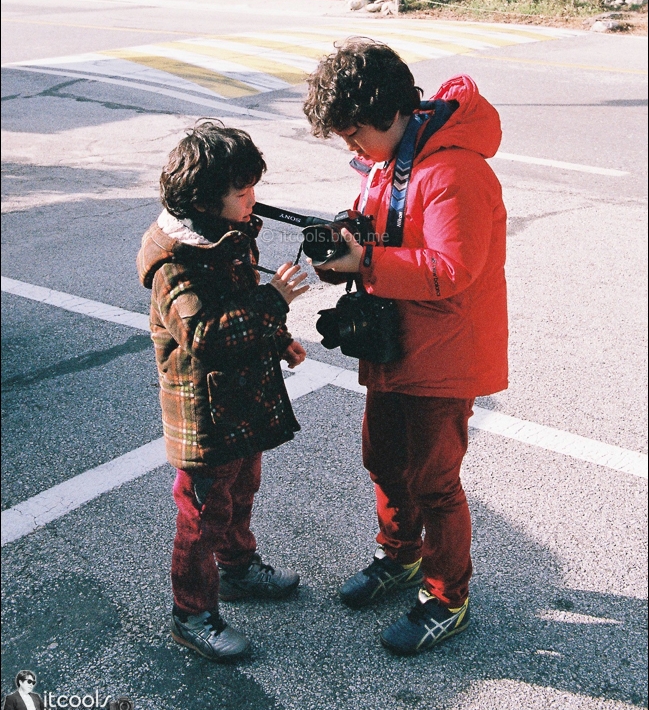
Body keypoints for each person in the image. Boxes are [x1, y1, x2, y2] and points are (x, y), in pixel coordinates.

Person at [303, 38, 508, 655]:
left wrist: (366, 261)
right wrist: (349, 240)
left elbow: (453, 269)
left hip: (445, 354)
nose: (351, 147)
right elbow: (382, 222)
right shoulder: (395, 155)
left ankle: (448, 595)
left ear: (392, 113)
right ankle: (400, 555)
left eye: (354, 133)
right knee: (384, 459)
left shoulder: (454, 171)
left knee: (434, 481)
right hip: (396, 345)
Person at [137, 121, 309, 662]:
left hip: (239, 402)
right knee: (202, 512)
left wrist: (277, 340)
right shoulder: (175, 262)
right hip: (204, 413)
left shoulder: (227, 236)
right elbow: (206, 335)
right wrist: (274, 305)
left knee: (240, 492)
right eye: (242, 191)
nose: (253, 199)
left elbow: (243, 297)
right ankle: (191, 613)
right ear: (208, 200)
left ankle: (237, 570)